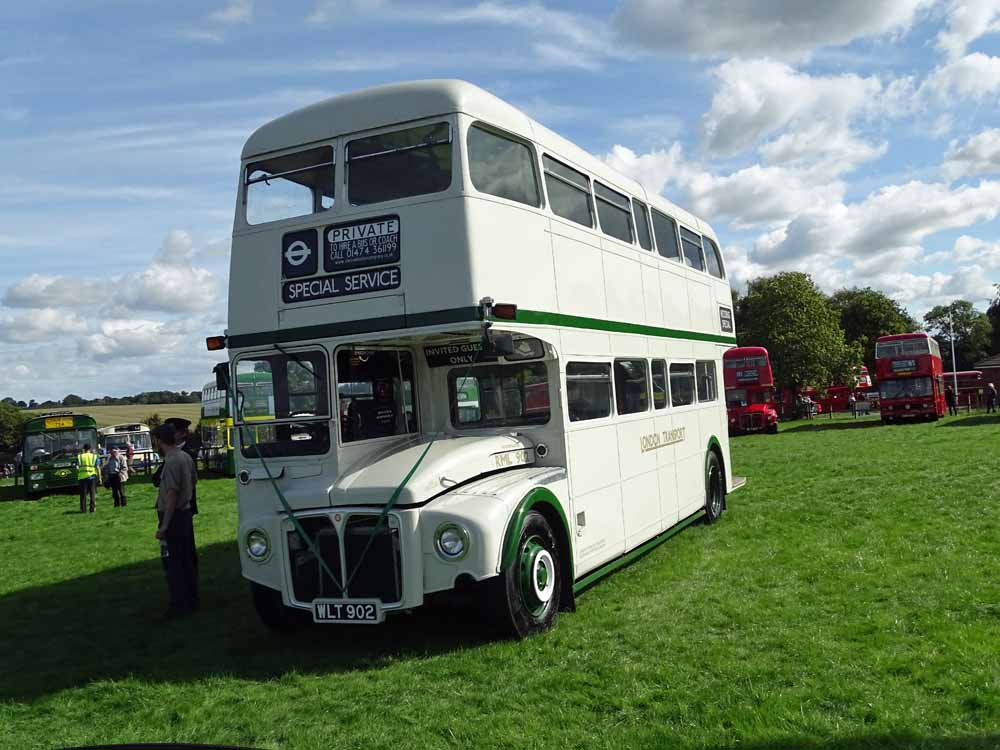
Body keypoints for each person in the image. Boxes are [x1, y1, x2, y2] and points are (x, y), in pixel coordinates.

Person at [152, 424, 199, 619]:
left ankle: (178, 604)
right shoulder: (185, 457)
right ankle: (191, 599)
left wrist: (164, 526)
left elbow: (172, 494)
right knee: (187, 559)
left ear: (159, 440)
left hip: (174, 517)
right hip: (185, 513)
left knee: (174, 563)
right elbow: (193, 481)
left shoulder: (171, 461)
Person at [76, 444, 101, 513]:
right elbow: (98, 467)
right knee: (92, 493)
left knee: (83, 494)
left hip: (82, 477)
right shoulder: (94, 456)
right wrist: (100, 478)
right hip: (92, 477)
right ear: (90, 449)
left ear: (84, 449)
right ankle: (92, 509)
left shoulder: (80, 456)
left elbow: (77, 467)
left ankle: (83, 509)